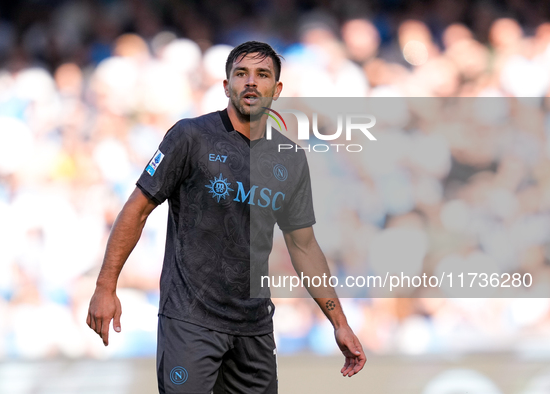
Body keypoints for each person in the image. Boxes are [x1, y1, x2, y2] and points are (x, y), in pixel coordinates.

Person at [87, 41, 366, 393]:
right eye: (241, 74)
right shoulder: (189, 137)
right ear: (226, 85)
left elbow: (304, 247)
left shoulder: (290, 159)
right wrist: (105, 287)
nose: (251, 82)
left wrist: (339, 322)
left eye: (262, 75)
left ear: (276, 90)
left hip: (254, 328)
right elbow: (137, 208)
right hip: (190, 322)